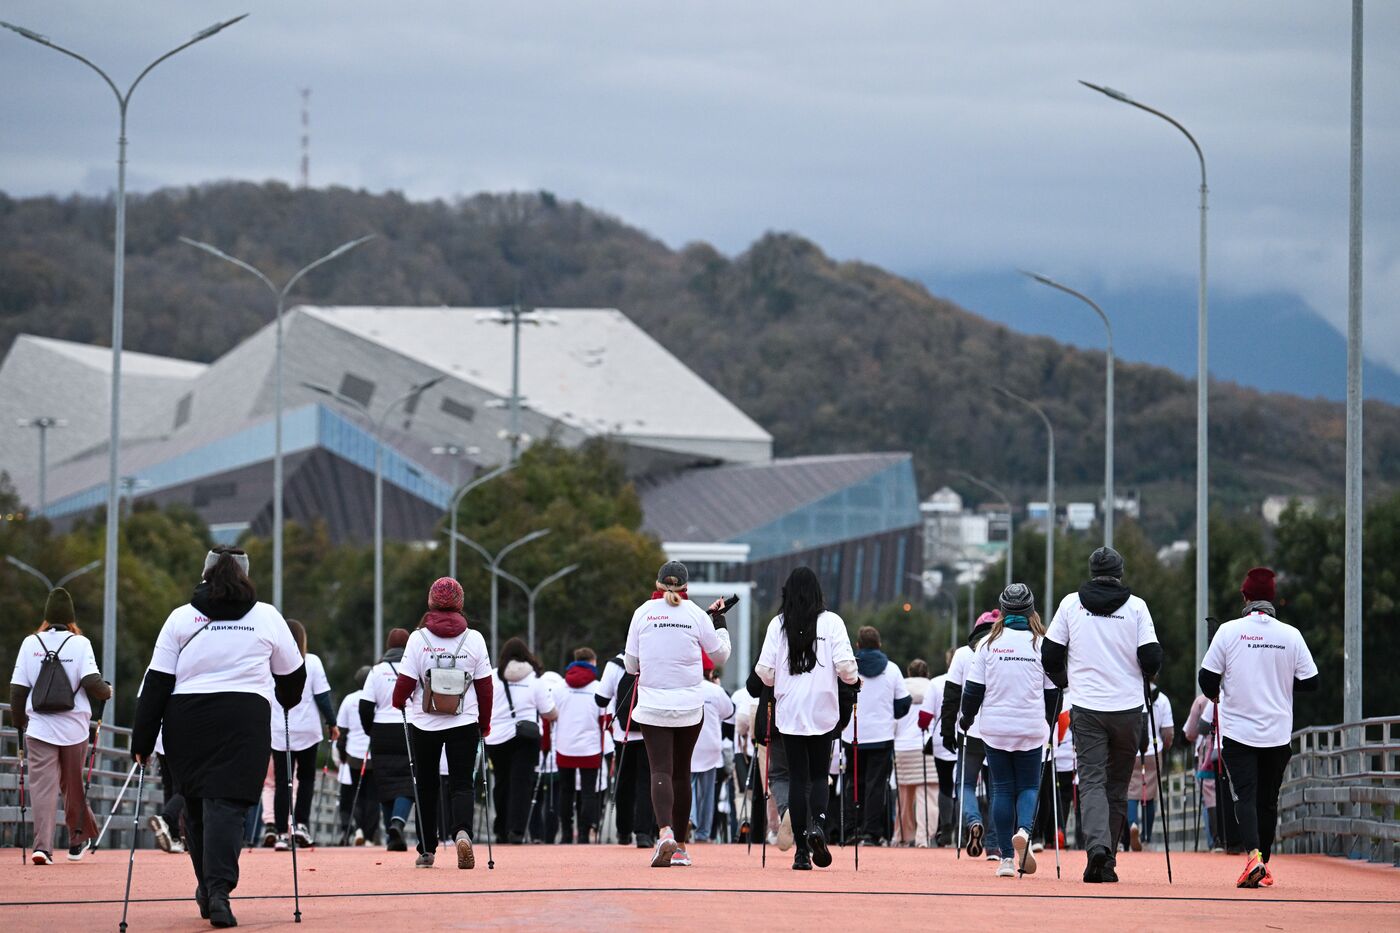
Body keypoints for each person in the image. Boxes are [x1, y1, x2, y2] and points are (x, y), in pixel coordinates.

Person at [132, 547, 305, 927]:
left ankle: (208, 887)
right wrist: (286, 698)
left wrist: (141, 741)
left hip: (187, 720)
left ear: (205, 573)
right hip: (244, 719)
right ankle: (219, 890)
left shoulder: (180, 617)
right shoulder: (267, 617)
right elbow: (293, 677)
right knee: (228, 806)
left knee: (195, 807)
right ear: (246, 576)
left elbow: (157, 682)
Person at [1042, 545, 1162, 884]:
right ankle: (1106, 860)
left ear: (1092, 572)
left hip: (1086, 706)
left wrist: (1066, 682)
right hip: (1128, 710)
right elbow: (1152, 658)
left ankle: (1097, 848)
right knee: (1118, 785)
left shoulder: (1070, 604)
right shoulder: (1137, 607)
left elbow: (1049, 655)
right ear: (1120, 573)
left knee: (1091, 779)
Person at [1199, 567, 1318, 889]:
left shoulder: (1228, 631)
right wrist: (1278, 681)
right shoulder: (1290, 635)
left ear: (1245, 596)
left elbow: (1207, 679)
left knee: (1246, 797)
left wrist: (1220, 690)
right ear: (1274, 600)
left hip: (1239, 732)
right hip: (1278, 732)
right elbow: (1311, 681)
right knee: (1268, 800)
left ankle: (1253, 857)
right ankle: (1263, 860)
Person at [624, 560, 731, 867]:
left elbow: (631, 665)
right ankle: (682, 847)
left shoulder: (642, 613)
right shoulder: (697, 614)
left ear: (657, 584)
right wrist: (719, 622)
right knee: (682, 772)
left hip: (653, 705)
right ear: (686, 588)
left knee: (660, 770)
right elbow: (720, 655)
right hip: (689, 705)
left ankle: (665, 832)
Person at [755, 566, 857, 870]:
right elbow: (847, 668)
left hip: (791, 712)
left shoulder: (779, 625)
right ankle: (818, 827)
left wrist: (779, 682)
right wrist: (851, 682)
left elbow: (764, 672)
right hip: (823, 710)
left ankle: (801, 852)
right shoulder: (832, 622)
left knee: (797, 778)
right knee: (818, 776)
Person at [390, 577, 493, 869]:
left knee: (425, 783)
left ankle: (426, 849)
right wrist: (484, 723)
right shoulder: (474, 639)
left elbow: (405, 684)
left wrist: (398, 702)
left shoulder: (417, 638)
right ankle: (462, 833)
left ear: (430, 602)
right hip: (464, 720)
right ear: (460, 603)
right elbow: (485, 687)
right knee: (462, 783)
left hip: (424, 722)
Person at [959, 584, 1057, 878]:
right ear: (1031, 611)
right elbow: (1053, 693)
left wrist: (966, 719)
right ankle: (1025, 832)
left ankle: (1004, 860)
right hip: (1030, 727)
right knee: (1028, 786)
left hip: (996, 729)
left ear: (1002, 611)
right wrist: (1050, 724)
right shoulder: (1042, 644)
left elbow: (973, 690)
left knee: (1001, 788)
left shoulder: (988, 643)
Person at [9, 586, 111, 865]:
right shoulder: (80, 643)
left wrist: (20, 725)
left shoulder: (30, 643)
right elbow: (92, 683)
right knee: (72, 784)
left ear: (46, 617)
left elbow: (17, 690)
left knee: (42, 788)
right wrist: (107, 692)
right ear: (70, 618)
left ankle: (42, 847)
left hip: (40, 728)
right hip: (74, 728)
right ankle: (77, 841)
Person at [267, 619, 336, 850]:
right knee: (306, 779)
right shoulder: (312, 661)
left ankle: (279, 833)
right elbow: (322, 696)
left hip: (278, 730)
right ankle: (301, 826)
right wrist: (332, 723)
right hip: (307, 730)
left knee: (281, 782)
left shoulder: (269, 662)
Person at [839, 625, 910, 845]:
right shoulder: (892, 669)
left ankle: (852, 829)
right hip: (881, 736)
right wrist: (889, 714)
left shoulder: (848, 669)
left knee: (853, 782)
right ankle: (871, 832)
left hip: (853, 735)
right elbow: (903, 703)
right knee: (876, 785)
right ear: (879, 644)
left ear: (857, 645)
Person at [941, 609, 1000, 859]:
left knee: (965, 783)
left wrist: (947, 731)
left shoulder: (963, 654)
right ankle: (995, 846)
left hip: (969, 729)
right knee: (998, 788)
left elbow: (952, 695)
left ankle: (973, 820)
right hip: (998, 730)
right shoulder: (1004, 651)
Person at [488, 637, 557, 844]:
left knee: (501, 783)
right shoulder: (535, 679)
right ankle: (516, 830)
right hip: (526, 738)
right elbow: (548, 712)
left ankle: (500, 828)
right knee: (522, 784)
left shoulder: (493, 677)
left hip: (497, 738)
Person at [360, 629, 415, 852]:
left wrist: (370, 731)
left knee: (384, 782)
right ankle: (397, 823)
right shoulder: (415, 668)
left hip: (381, 731)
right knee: (408, 782)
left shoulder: (376, 671)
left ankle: (392, 836)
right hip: (409, 729)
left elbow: (365, 706)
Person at [598, 648, 655, 848]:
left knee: (624, 782)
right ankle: (643, 833)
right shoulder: (655, 658)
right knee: (647, 782)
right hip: (651, 730)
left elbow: (600, 699)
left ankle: (623, 832)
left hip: (623, 733)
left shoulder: (615, 664)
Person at [550, 647, 603, 844]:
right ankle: (583, 833)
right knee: (589, 792)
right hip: (590, 747)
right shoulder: (598, 687)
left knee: (566, 790)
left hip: (564, 746)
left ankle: (565, 832)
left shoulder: (559, 688)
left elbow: (550, 717)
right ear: (592, 663)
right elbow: (604, 720)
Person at [1124, 675, 1173, 852]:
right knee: (1150, 794)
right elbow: (1168, 733)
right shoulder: (1163, 699)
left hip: (1132, 749)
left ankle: (1132, 824)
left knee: (1131, 791)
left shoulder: (1131, 692)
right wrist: (1167, 746)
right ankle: (1146, 836)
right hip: (1154, 750)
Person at [690, 659, 736, 842]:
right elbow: (729, 712)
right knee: (708, 792)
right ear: (710, 673)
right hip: (711, 745)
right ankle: (703, 831)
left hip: (689, 744)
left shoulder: (686, 689)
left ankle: (689, 817)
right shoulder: (716, 691)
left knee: (687, 785)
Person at [917, 650, 958, 846]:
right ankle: (966, 827)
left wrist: (922, 726)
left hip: (943, 738)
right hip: (970, 737)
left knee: (945, 784)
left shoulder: (937, 683)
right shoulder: (975, 679)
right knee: (965, 785)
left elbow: (924, 716)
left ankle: (947, 827)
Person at [894, 659, 935, 847]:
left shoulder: (900, 688)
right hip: (926, 747)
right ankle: (923, 837)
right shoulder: (933, 687)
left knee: (904, 797)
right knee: (928, 796)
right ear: (927, 673)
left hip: (902, 747)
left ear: (909, 672)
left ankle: (902, 835)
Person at [336, 665, 378, 845]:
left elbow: (341, 731)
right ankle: (368, 835)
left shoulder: (348, 700)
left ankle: (358, 829)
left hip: (353, 756)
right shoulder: (378, 698)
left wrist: (342, 753)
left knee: (355, 795)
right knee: (372, 797)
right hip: (373, 756)